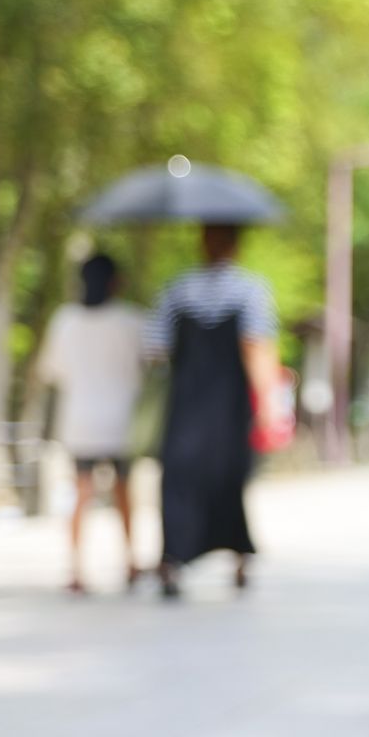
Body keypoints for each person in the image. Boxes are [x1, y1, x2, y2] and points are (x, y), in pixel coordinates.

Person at [144, 224, 284, 601]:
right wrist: (269, 403)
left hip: (187, 401)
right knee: (229, 476)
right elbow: (257, 346)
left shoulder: (176, 289)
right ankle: (238, 554)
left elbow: (156, 350)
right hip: (229, 405)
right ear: (237, 246)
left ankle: (174, 558)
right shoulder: (250, 289)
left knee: (179, 476)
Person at [38, 253, 146, 593]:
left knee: (81, 490)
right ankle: (130, 560)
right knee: (124, 489)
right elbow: (149, 364)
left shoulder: (65, 320)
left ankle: (76, 568)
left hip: (81, 417)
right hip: (121, 418)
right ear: (117, 281)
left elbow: (52, 370)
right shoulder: (132, 320)